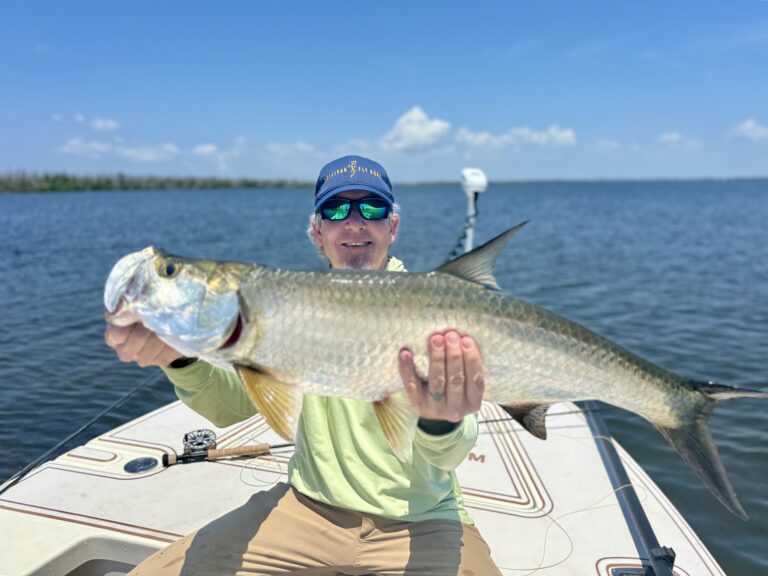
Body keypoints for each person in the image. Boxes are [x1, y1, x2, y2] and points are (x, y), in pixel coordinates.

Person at [105, 155, 501, 575]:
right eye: (336, 210)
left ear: (392, 228)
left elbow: (449, 455)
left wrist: (440, 422)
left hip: (423, 519)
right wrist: (177, 356)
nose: (354, 222)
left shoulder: (435, 309)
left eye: (372, 209)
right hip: (308, 509)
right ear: (318, 231)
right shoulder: (288, 310)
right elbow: (230, 407)